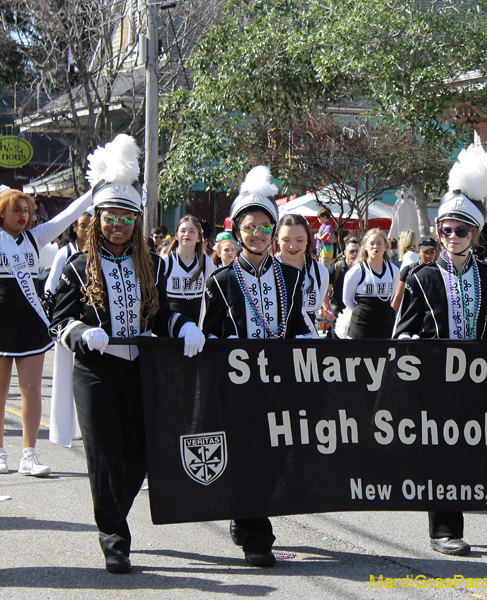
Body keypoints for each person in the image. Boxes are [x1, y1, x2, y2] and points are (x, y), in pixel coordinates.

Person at [49, 134, 205, 573]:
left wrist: (185, 326)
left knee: (140, 454)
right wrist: (83, 331)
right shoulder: (77, 267)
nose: (117, 224)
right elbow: (57, 321)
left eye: (126, 218)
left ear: (137, 222)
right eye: (109, 217)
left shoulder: (152, 265)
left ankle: (112, 513)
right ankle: (115, 539)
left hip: (141, 370)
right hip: (95, 371)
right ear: (97, 220)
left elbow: (162, 315)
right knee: (102, 455)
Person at [394, 144, 487, 556]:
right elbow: (403, 331)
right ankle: (443, 527)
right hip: (434, 383)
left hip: (476, 384)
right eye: (445, 229)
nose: (451, 236)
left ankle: (453, 516)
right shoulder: (421, 277)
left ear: (474, 234)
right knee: (440, 453)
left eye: (461, 230)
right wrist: (408, 347)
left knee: (469, 453)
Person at [200, 166, 312, 567]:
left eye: (266, 227)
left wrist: (308, 339)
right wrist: (217, 344)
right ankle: (257, 535)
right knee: (247, 454)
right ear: (237, 231)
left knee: (275, 457)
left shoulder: (291, 276)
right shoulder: (220, 280)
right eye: (250, 227)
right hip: (238, 386)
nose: (258, 234)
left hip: (279, 384)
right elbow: (208, 333)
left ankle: (244, 515)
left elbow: (298, 324)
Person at [0, 182, 93, 477]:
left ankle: (29, 455)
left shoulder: (34, 237)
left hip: (30, 324)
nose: (23, 215)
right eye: (16, 210)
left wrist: (94, 191)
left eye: (26, 210)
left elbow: (65, 216)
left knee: (31, 391)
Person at [45, 210, 93, 448]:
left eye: (89, 225)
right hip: (69, 324)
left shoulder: (99, 255)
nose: (85, 229)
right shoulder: (65, 253)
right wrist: (55, 319)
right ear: (75, 228)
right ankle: (67, 428)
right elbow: (51, 287)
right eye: (82, 225)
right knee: (66, 376)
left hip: (92, 328)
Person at [274, 213, 332, 336]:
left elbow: (316, 306)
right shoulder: (267, 270)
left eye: (299, 240)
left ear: (307, 239)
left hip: (308, 342)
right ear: (277, 239)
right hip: (275, 343)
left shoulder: (320, 271)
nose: (292, 246)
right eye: (286, 240)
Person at [340, 229, 399, 339]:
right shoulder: (356, 271)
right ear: (365, 246)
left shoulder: (394, 271)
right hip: (361, 326)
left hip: (385, 324)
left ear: (386, 246)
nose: (375, 247)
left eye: (379, 243)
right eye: (371, 243)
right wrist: (362, 314)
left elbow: (392, 295)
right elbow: (347, 299)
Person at [161, 216, 216, 323]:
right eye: (183, 231)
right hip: (171, 325)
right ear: (176, 235)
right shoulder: (166, 261)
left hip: (198, 324)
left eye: (192, 231)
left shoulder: (207, 262)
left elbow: (210, 298)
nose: (187, 234)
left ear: (199, 237)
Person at [390, 236, 438, 314]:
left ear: (435, 252)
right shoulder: (408, 270)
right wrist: (391, 318)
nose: (428, 256)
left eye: (432, 252)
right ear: (418, 252)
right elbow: (398, 298)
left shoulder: (440, 271)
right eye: (425, 252)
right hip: (412, 315)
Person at [328, 236, 360, 317]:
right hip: (338, 312)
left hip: (357, 312)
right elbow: (324, 291)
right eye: (352, 251)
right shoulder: (336, 268)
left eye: (357, 251)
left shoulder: (363, 269)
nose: (355, 254)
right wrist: (327, 310)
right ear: (345, 253)